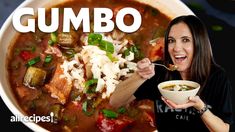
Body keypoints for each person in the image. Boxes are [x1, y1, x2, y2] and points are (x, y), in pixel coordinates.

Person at [109, 15, 233, 132]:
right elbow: (115, 102)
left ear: (199, 43)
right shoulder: (160, 71)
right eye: (171, 40)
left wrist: (200, 107)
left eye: (185, 40)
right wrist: (139, 76)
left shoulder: (217, 77)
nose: (176, 48)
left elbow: (224, 129)